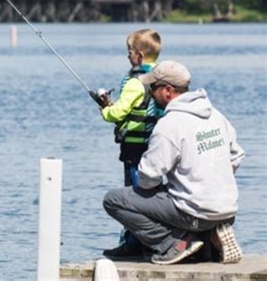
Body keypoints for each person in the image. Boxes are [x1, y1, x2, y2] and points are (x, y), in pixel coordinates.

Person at [102, 60, 245, 265]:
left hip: (194, 214)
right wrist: (211, 179)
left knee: (114, 199)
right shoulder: (216, 115)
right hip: (227, 210)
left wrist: (162, 188)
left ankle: (172, 244)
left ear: (168, 91)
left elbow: (147, 178)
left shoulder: (169, 124)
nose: (150, 93)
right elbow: (237, 155)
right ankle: (209, 237)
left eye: (153, 87)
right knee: (175, 194)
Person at [99, 29, 164, 254]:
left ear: (139, 56)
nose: (127, 57)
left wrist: (104, 106)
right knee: (151, 193)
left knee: (133, 195)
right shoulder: (160, 78)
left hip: (134, 148)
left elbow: (116, 114)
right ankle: (149, 239)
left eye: (129, 52)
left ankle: (135, 243)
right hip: (154, 146)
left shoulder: (136, 83)